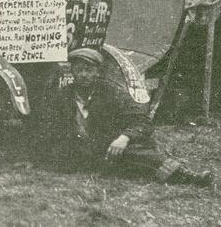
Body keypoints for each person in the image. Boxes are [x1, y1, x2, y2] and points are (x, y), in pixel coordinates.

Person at [41, 47, 213, 187]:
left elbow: (141, 121)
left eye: (89, 70)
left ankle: (185, 176)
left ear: (98, 73)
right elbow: (48, 127)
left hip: (107, 150)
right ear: (73, 73)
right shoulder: (63, 95)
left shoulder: (111, 93)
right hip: (77, 154)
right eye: (79, 70)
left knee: (136, 154)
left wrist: (124, 138)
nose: (84, 75)